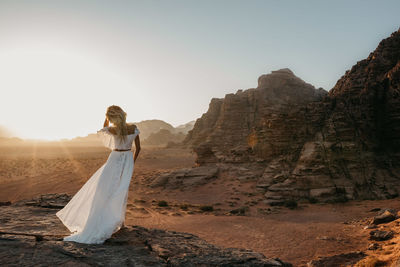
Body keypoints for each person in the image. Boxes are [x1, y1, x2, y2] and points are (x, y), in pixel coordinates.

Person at [56, 105, 141, 244]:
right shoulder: (134, 128)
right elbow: (139, 148)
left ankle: (106, 220)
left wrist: (106, 118)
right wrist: (132, 162)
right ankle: (121, 222)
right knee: (121, 190)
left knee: (105, 189)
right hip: (127, 159)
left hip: (114, 158)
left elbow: (103, 128)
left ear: (112, 117)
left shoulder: (112, 129)